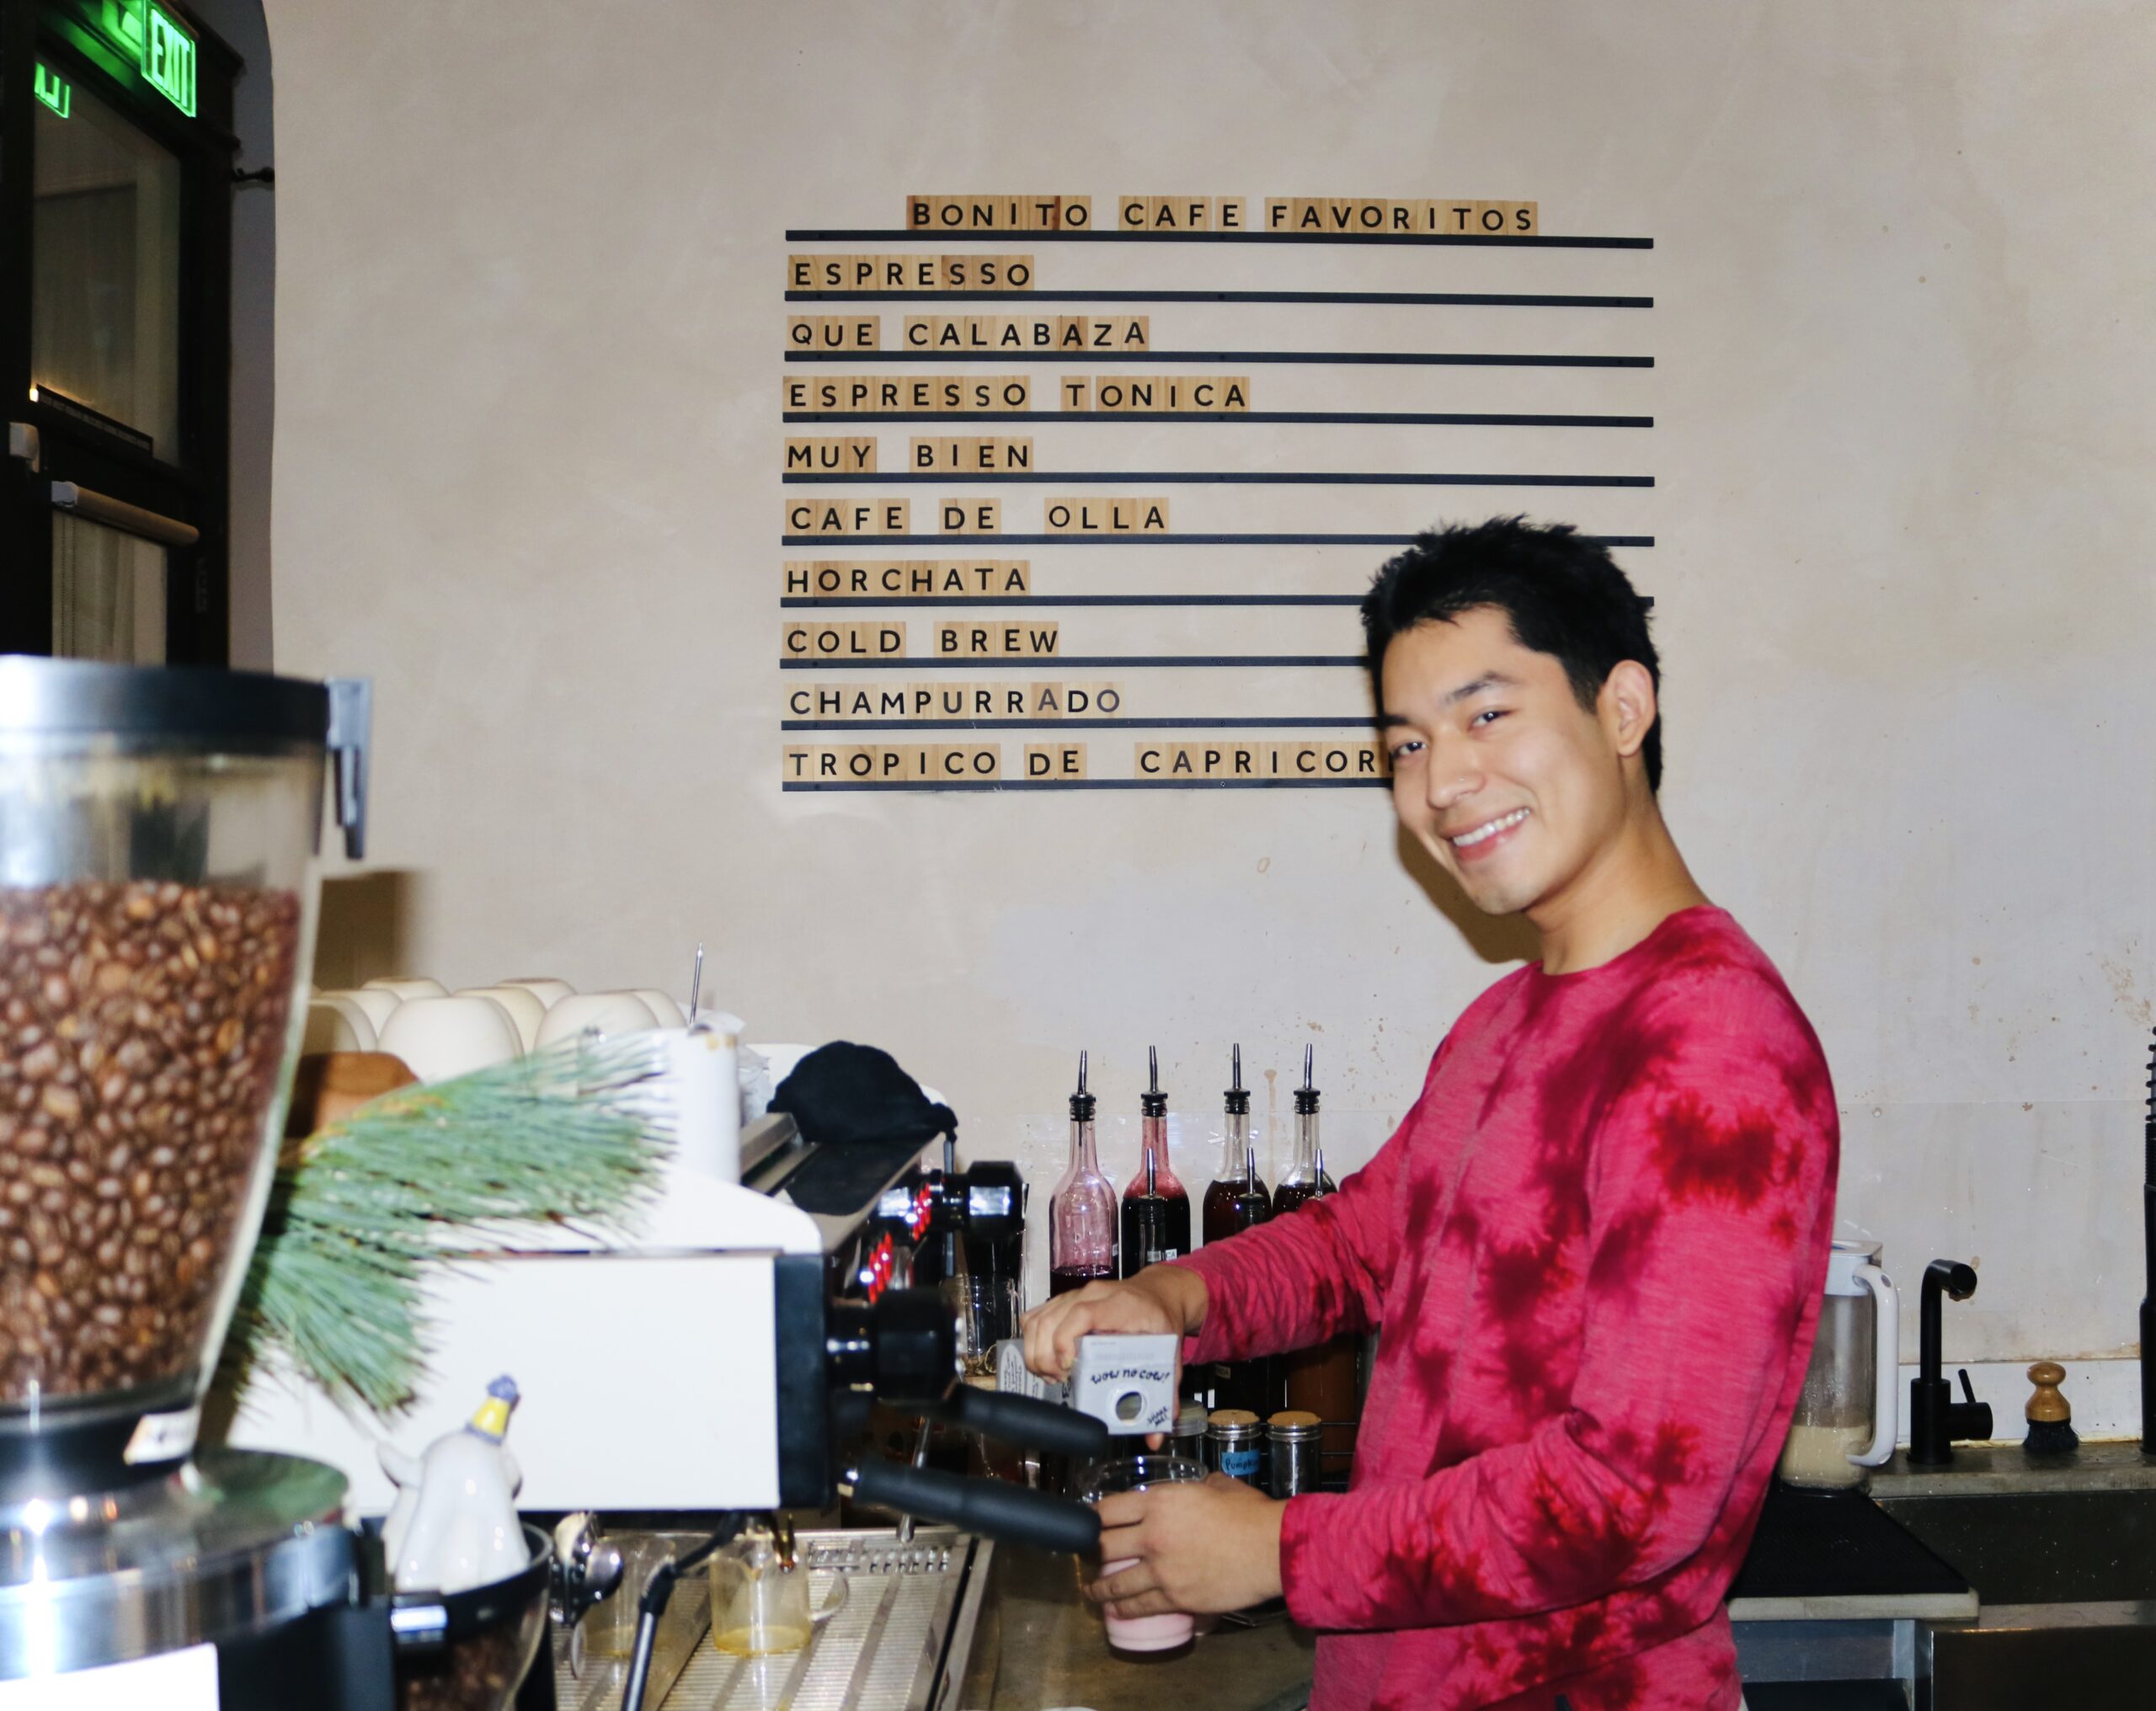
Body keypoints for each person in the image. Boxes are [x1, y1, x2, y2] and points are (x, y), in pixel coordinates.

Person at [1022, 518, 1838, 1711]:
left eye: (1487, 714)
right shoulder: (1507, 1022)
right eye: (1406, 742)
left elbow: (1631, 1499)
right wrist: (1171, 1302)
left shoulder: (1713, 1044)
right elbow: (1361, 1244)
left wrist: (1274, 1552)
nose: (1443, 782)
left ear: (1623, 710)